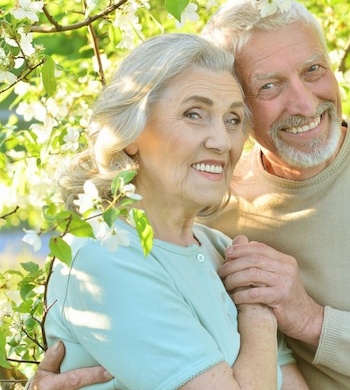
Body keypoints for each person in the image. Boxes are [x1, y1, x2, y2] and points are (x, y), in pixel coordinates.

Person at [30, 0, 350, 390]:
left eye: (314, 70)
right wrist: (258, 314)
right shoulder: (211, 210)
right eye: (268, 86)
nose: (303, 103)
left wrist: (307, 317)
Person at [41, 33, 309, 390]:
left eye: (232, 120)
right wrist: (259, 318)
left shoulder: (222, 250)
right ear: (130, 133)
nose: (221, 141)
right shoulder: (106, 254)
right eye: (193, 114)